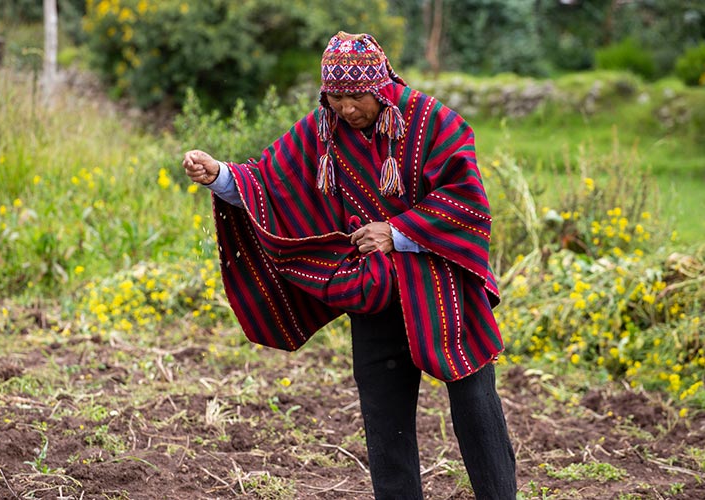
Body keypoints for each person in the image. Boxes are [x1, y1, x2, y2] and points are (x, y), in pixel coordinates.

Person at [183, 31, 517, 499]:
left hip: (444, 290)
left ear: (380, 87)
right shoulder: (323, 129)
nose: (346, 109)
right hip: (375, 293)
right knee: (384, 420)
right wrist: (218, 174)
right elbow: (269, 180)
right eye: (335, 97)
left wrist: (397, 232)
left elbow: (467, 202)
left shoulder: (433, 123)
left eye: (356, 96)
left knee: (476, 406)